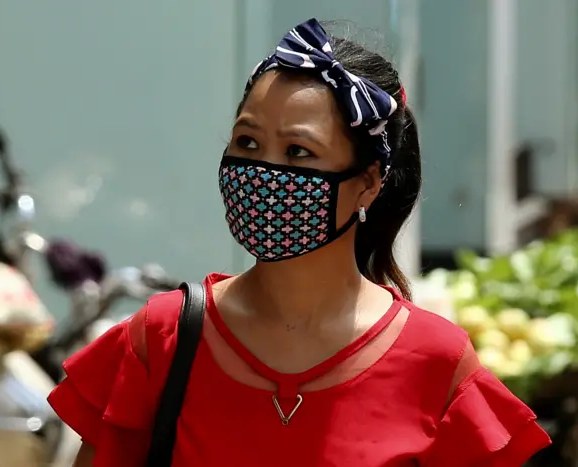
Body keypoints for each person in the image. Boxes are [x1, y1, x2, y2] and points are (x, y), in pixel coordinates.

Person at [49, 18, 551, 467]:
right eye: (247, 143)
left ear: (368, 183)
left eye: (298, 152)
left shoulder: (435, 362)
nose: (264, 172)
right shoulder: (159, 340)